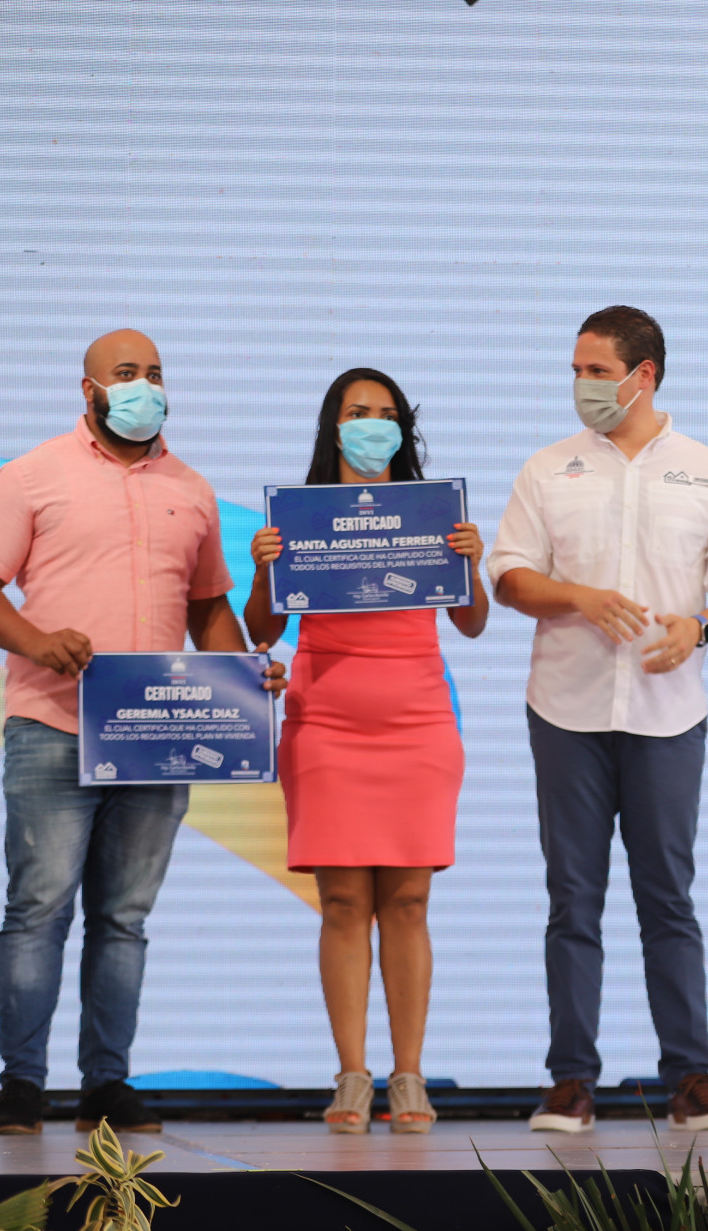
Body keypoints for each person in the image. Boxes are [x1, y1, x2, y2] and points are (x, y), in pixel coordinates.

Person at [0, 329, 287, 1136]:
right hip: (53, 724)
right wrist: (37, 641)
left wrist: (243, 680)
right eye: (127, 373)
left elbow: (208, 606)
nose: (145, 387)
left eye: (155, 373)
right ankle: (21, 1086)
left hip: (156, 736)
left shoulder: (192, 489)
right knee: (38, 909)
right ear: (90, 390)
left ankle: (106, 1083)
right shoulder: (31, 475)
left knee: (124, 919)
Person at [487, 306, 708, 1133]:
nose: (582, 385)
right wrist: (578, 595)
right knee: (572, 900)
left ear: (644, 375)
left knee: (667, 898)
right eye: (576, 371)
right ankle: (571, 1081)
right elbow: (508, 576)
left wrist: (701, 627)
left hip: (668, 713)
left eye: (597, 371)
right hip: (565, 710)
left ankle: (690, 1079)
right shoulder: (548, 469)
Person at [243, 368, 487, 1134]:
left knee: (408, 902)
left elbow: (472, 623)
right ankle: (352, 1074)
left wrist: (471, 561)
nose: (372, 425)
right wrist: (264, 567)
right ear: (334, 426)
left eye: (385, 414)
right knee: (344, 903)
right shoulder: (300, 518)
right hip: (325, 726)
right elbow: (261, 630)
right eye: (358, 412)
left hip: (418, 724)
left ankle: (408, 1075)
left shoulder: (431, 515)